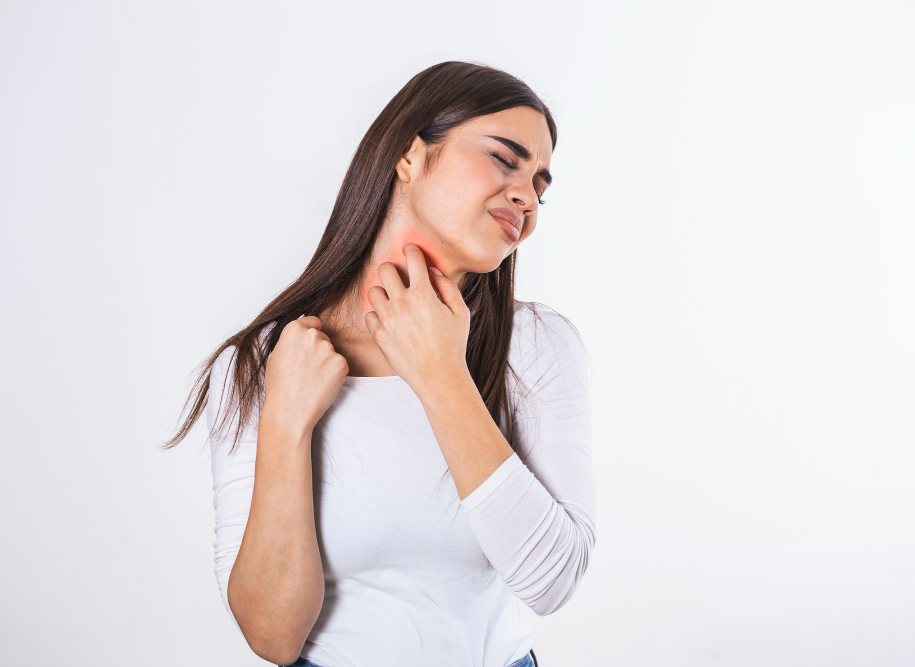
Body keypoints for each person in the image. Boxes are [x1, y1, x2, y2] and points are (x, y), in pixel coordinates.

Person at [164, 60, 594, 667]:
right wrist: (286, 425)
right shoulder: (268, 362)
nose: (528, 195)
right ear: (409, 155)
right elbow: (272, 636)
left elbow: (553, 582)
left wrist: (440, 372)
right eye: (505, 158)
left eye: (541, 184)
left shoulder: (535, 345)